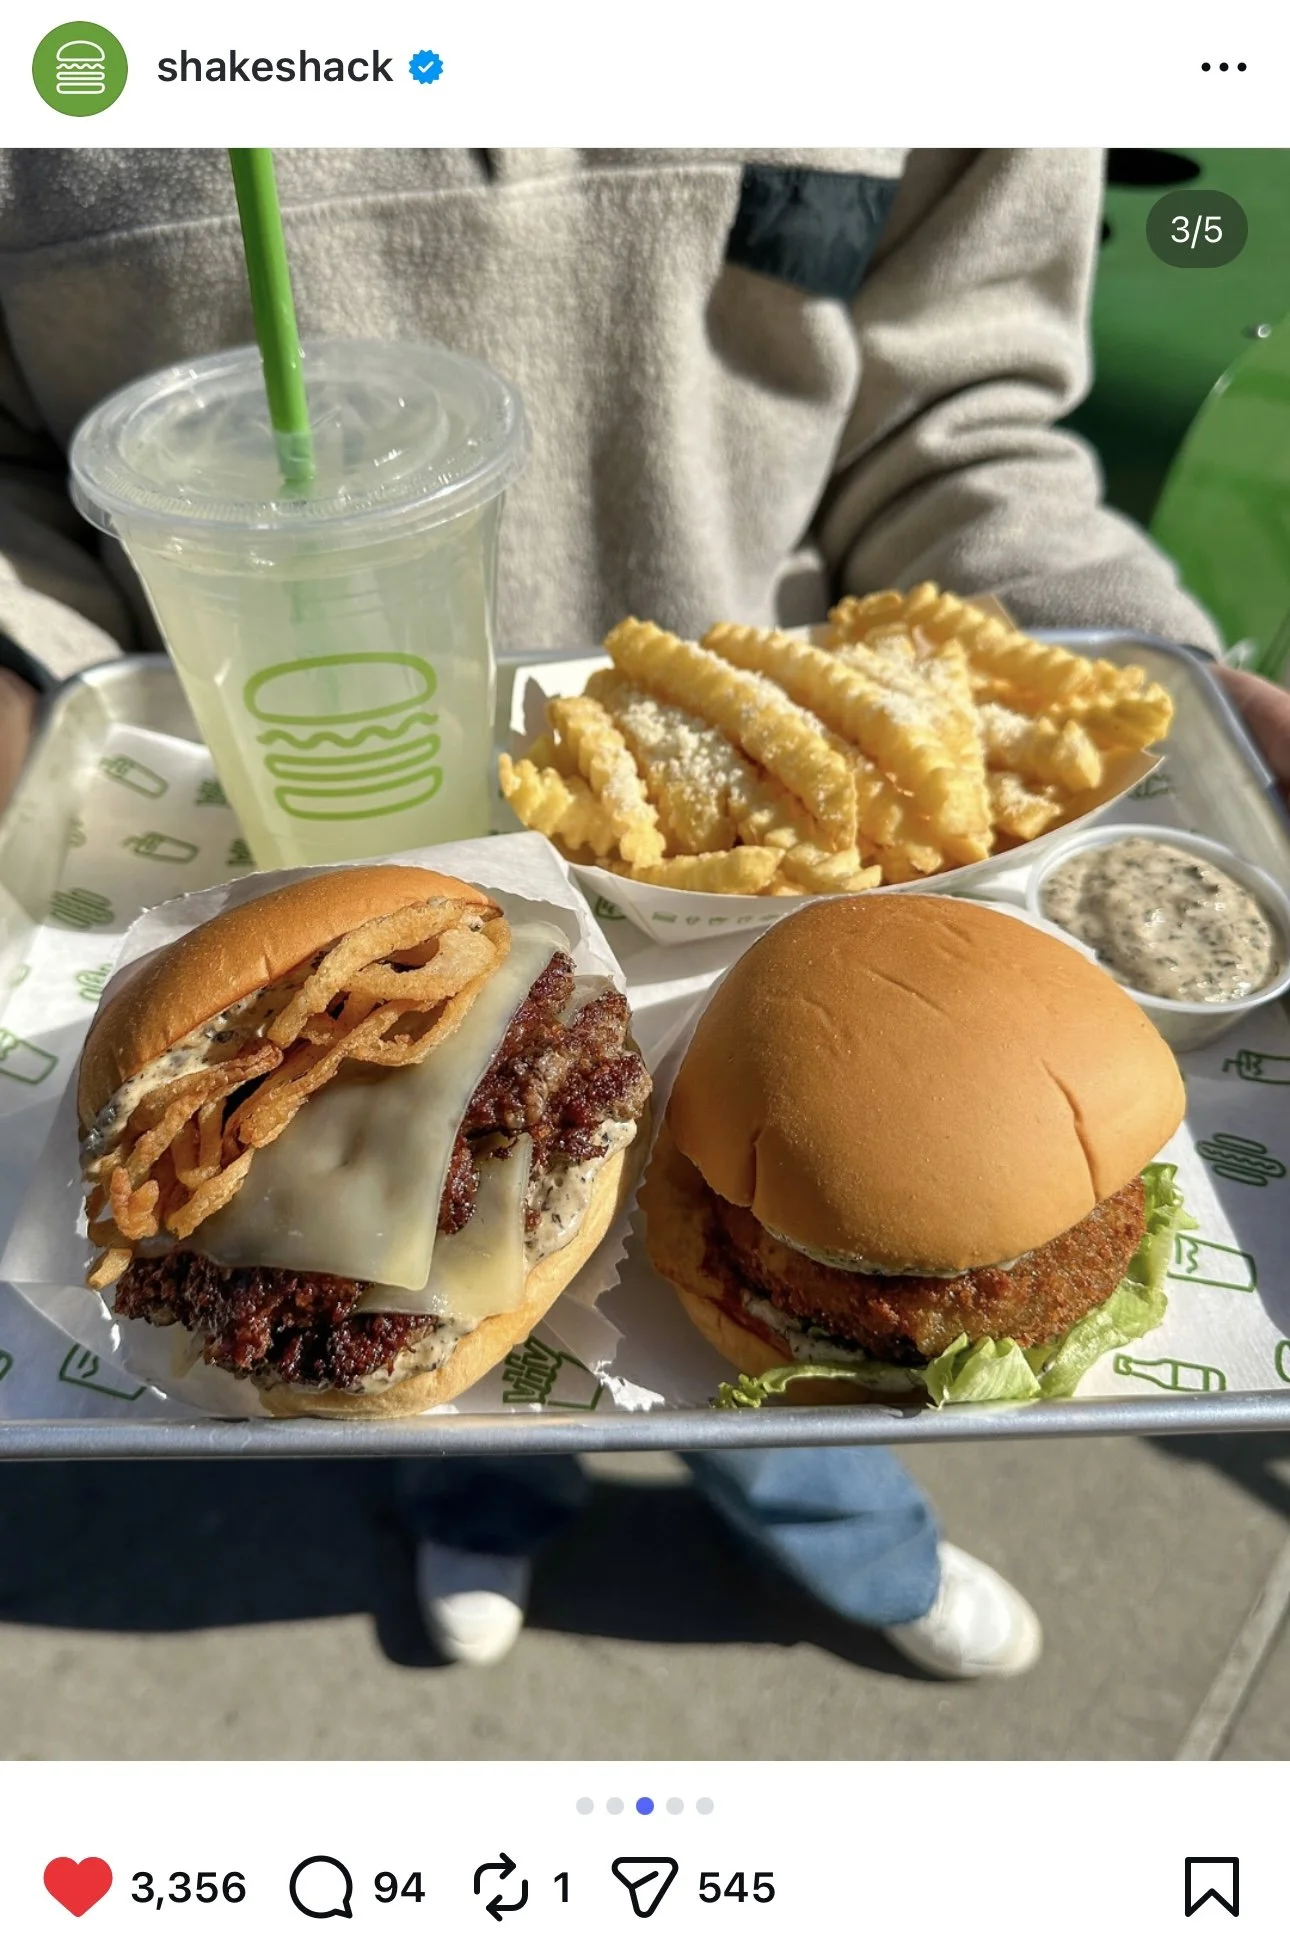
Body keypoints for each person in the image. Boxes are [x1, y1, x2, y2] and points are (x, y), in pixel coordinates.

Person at [0, 148, 1280, 1681]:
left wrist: (1159, 683)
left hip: (727, 795)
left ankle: (861, 1553)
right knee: (421, 1389)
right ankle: (480, 1503)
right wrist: (21, 674)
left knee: (805, 1406)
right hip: (256, 758)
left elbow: (964, 432)